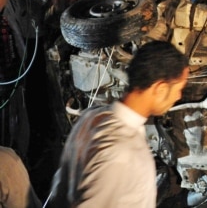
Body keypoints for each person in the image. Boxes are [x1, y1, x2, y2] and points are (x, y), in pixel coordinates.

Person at [47, 40, 189, 208]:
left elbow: (60, 188)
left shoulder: (92, 117)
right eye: (178, 88)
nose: (178, 96)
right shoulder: (124, 152)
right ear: (161, 89)